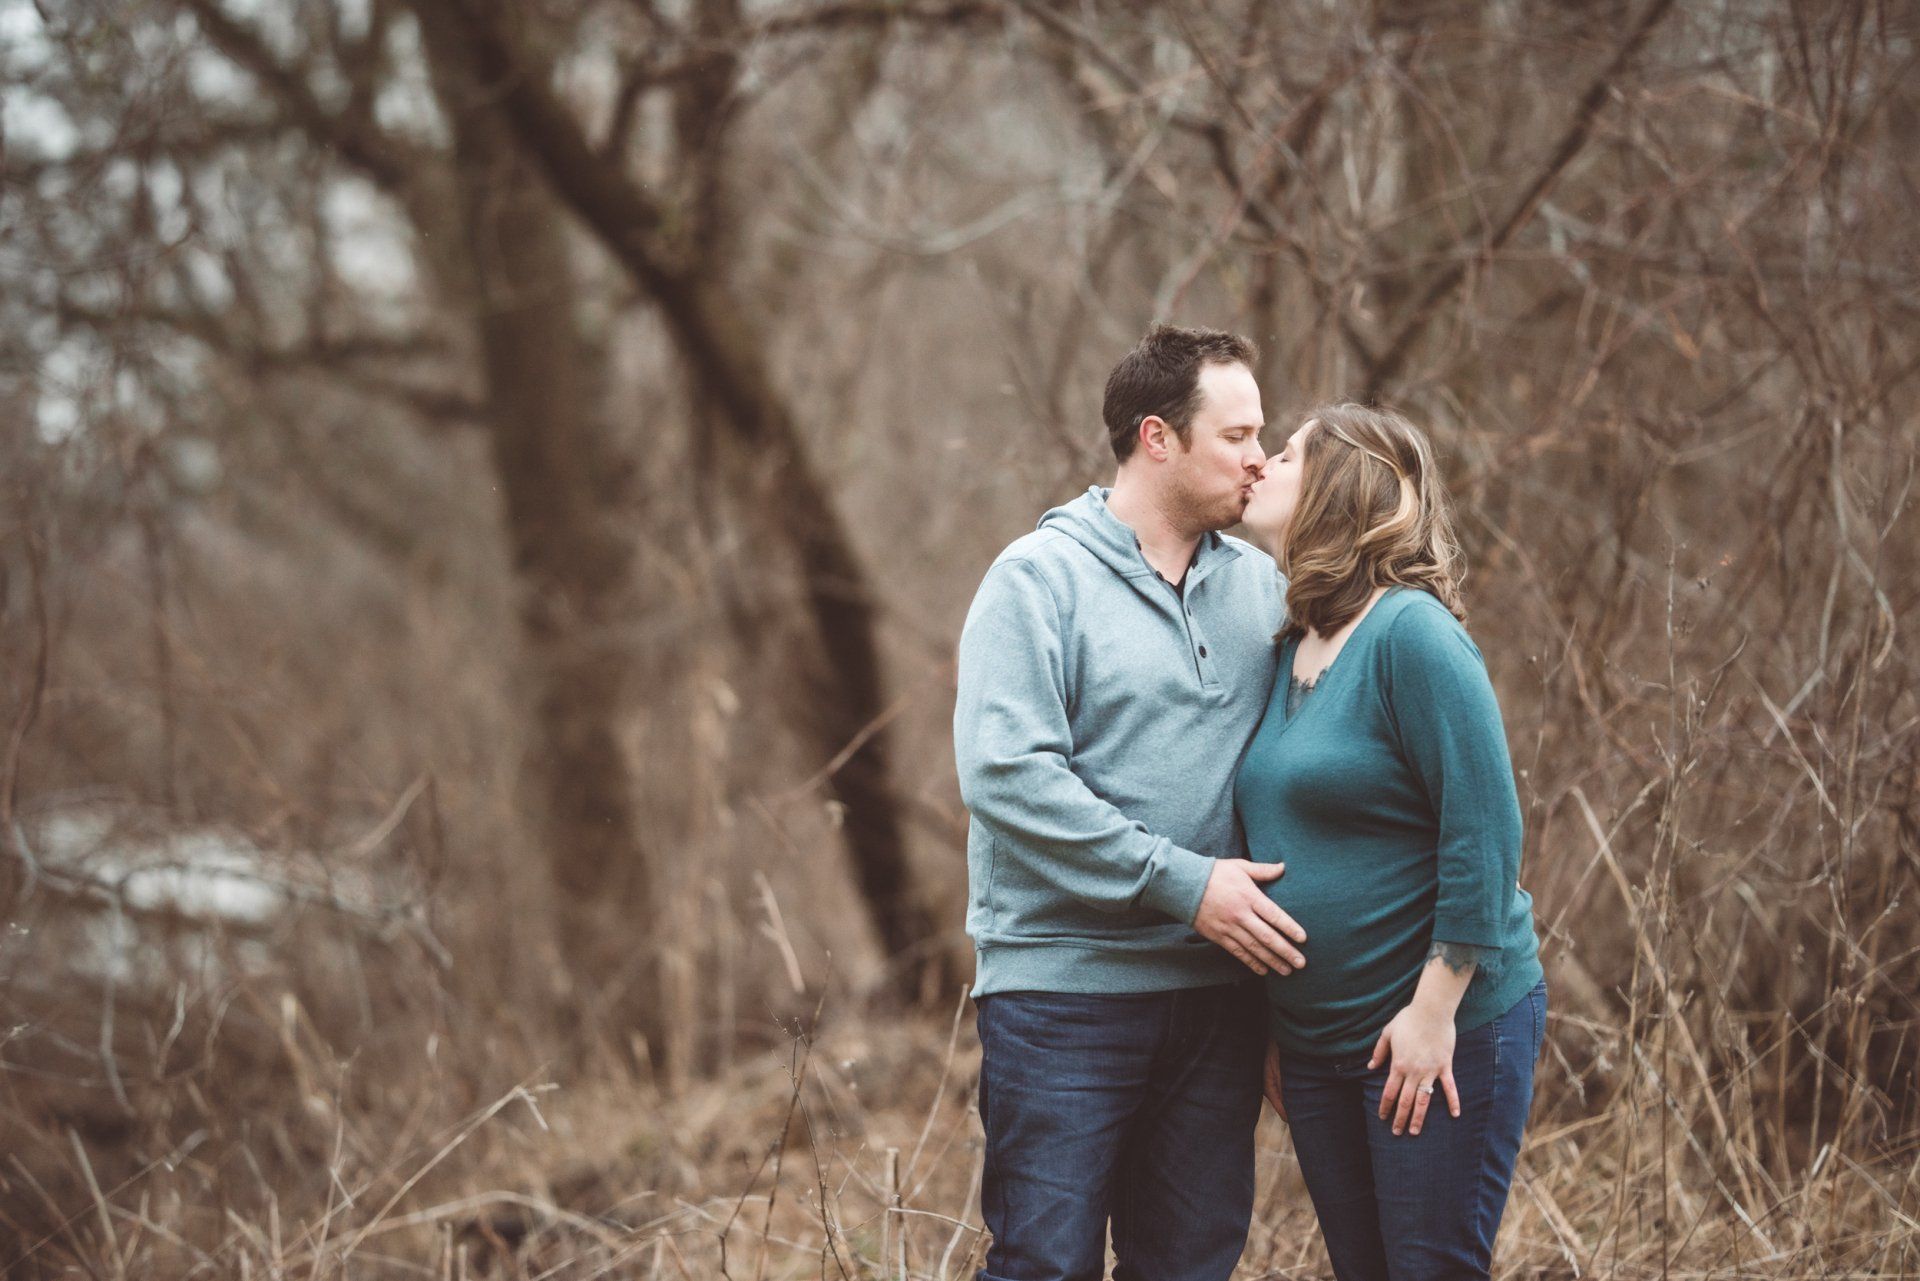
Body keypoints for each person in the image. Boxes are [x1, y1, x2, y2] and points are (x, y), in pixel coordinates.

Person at [953, 323, 1305, 1281]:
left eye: (1262, 433)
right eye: (1236, 435)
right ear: (1158, 439)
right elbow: (1007, 775)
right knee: (1044, 1264)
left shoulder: (1264, 591)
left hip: (1216, 999)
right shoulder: (1037, 582)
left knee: (1189, 1265)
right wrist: (1181, 882)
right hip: (1064, 998)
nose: (1260, 457)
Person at [1235, 402, 1548, 1281]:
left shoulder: (1411, 634)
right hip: (1321, 1045)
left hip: (1436, 1032)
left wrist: (1433, 1011)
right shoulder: (1295, 640)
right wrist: (1279, 1026)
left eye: (1288, 453)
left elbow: (1485, 832)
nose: (1261, 464)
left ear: (1340, 483)